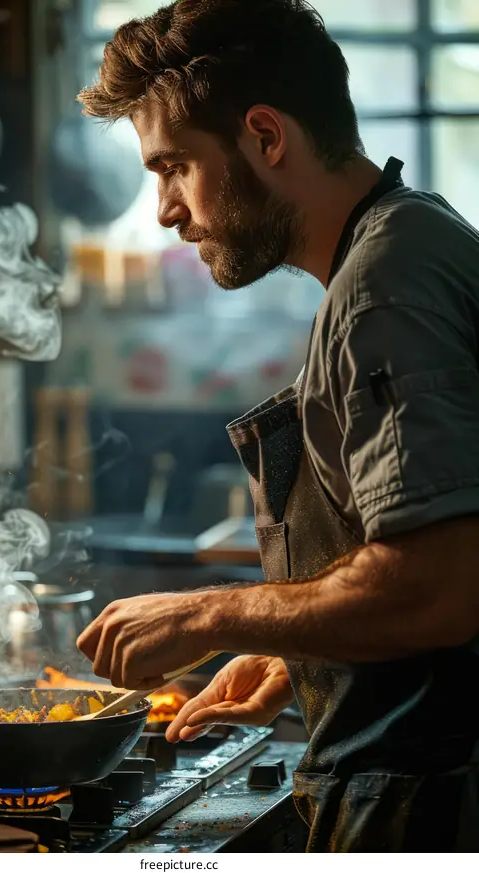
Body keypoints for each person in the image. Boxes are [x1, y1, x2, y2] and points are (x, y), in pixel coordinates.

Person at [76, 0, 479, 851]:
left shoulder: (383, 286)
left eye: (175, 166)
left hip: (431, 808)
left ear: (265, 135)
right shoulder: (417, 231)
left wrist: (209, 614)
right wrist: (302, 650)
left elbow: (440, 585)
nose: (165, 210)